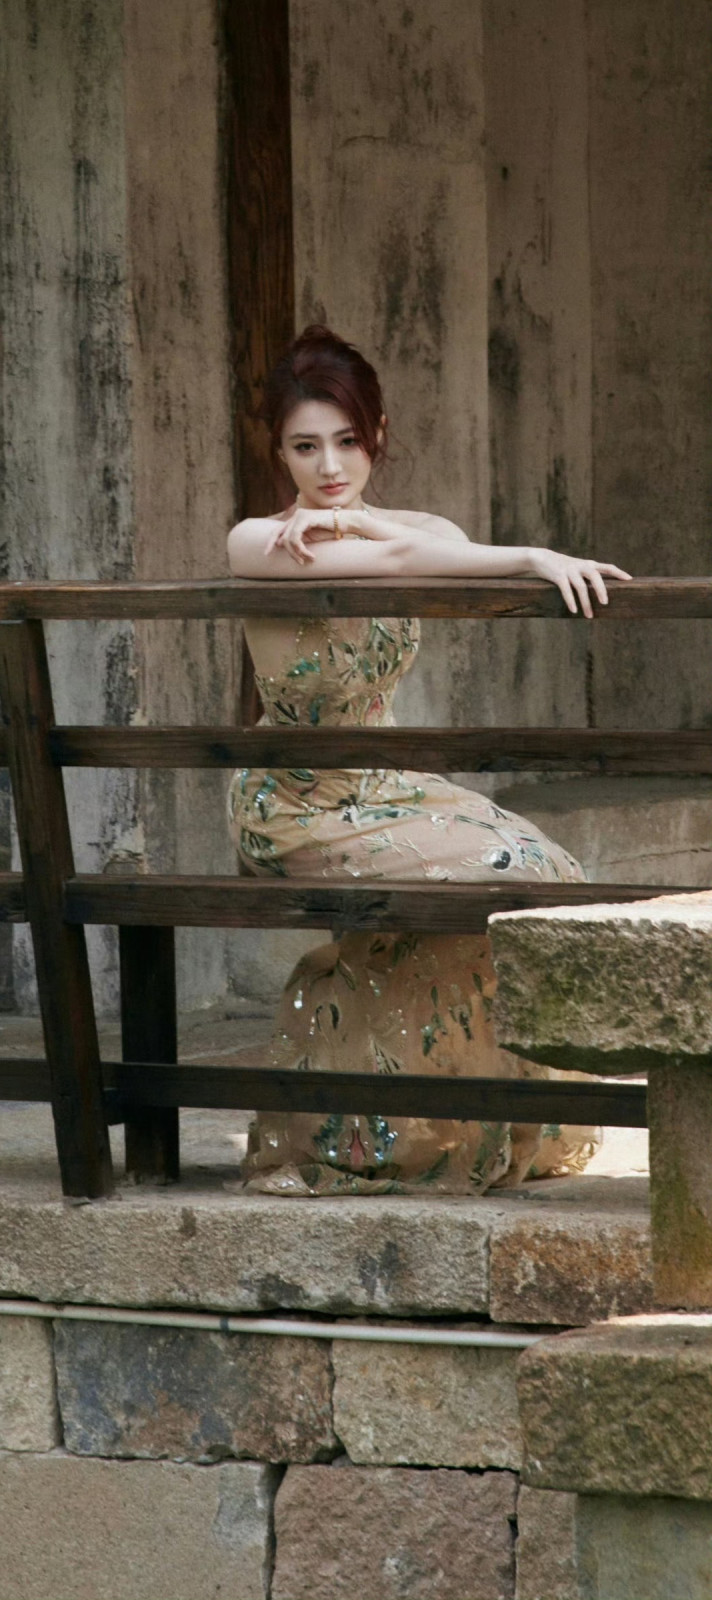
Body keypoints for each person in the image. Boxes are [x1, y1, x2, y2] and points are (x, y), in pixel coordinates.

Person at [226, 325, 631, 1196]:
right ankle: (371, 1122)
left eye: (346, 441)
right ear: (278, 452)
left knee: (550, 870)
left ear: (377, 435)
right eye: (304, 447)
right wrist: (535, 555)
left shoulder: (394, 524)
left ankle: (441, 1119)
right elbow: (408, 556)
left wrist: (358, 516)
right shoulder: (259, 541)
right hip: (298, 800)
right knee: (507, 869)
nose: (328, 465)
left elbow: (427, 536)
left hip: (386, 785)